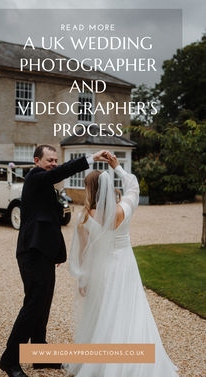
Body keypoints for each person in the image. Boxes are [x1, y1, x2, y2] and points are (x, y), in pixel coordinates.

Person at [0, 144, 111, 377]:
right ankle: (9, 360)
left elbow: (48, 221)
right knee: (33, 306)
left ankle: (39, 357)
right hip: (32, 252)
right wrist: (91, 158)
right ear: (37, 161)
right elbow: (58, 175)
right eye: (49, 160)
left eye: (55, 160)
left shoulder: (45, 184)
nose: (54, 164)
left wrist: (57, 253)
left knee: (43, 304)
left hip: (43, 252)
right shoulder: (36, 177)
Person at [67, 153, 179, 377]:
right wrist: (117, 167)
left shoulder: (85, 220)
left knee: (104, 311)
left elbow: (82, 255)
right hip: (126, 264)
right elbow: (133, 187)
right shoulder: (124, 210)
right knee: (131, 308)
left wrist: (82, 280)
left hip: (104, 269)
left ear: (90, 190)